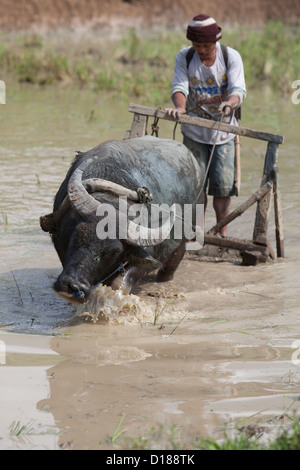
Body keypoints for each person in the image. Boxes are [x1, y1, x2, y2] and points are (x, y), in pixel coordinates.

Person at [166, 14, 246, 237]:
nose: (202, 50)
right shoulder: (185, 56)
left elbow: (238, 89)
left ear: (215, 42)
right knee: (195, 187)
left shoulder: (230, 56)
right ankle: (195, 234)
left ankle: (222, 235)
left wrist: (229, 104)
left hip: (225, 132)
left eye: (206, 46)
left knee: (222, 187)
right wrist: (180, 108)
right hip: (194, 132)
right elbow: (179, 85)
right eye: (197, 45)